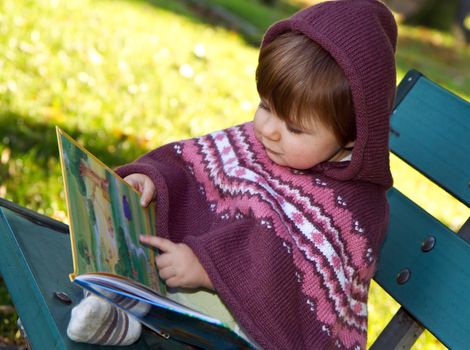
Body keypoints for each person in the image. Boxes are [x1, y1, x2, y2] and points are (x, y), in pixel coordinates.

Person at [67, 0, 397, 348]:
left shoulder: (355, 211)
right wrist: (153, 180)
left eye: (295, 129)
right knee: (149, 264)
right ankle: (122, 312)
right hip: (184, 285)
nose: (269, 130)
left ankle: (135, 312)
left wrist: (210, 269)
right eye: (265, 107)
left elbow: (288, 280)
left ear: (352, 136)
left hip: (251, 335)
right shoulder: (262, 142)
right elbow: (194, 167)